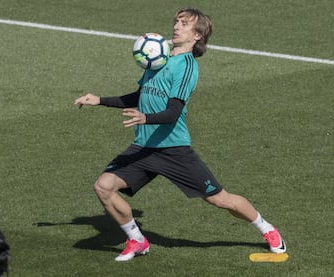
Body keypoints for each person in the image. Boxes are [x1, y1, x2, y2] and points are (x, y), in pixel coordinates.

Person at [74, 7, 286, 262]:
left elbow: (173, 111)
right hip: (145, 146)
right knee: (104, 187)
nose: (176, 26)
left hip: (174, 149)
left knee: (220, 199)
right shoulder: (156, 59)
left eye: (184, 24)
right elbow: (140, 96)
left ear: (197, 35)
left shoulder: (186, 67)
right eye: (176, 22)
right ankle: (137, 240)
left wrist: (146, 118)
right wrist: (99, 100)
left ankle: (268, 230)